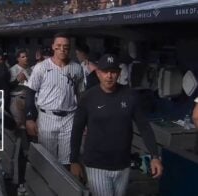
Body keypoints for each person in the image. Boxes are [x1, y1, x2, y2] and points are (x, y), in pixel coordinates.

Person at [70, 54, 163, 196]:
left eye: (113, 72)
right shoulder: (88, 98)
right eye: (105, 72)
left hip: (123, 164)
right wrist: (74, 160)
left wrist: (155, 156)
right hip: (96, 164)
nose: (109, 76)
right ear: (98, 73)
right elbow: (77, 130)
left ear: (119, 74)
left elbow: (144, 127)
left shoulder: (130, 95)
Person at [25, 32, 83, 166]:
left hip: (69, 116)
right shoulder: (41, 67)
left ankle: (65, 187)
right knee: (47, 160)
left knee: (68, 160)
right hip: (47, 116)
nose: (62, 49)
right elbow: (30, 92)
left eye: (66, 46)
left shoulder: (77, 68)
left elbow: (81, 95)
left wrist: (83, 119)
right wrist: (29, 118)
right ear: (53, 47)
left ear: (70, 48)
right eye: (59, 46)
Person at [10, 48, 31, 129]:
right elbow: (9, 86)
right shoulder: (13, 70)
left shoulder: (30, 69)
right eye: (23, 57)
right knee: (19, 124)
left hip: (28, 99)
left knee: (27, 124)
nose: (26, 58)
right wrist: (17, 80)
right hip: (17, 99)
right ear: (18, 59)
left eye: (26, 56)